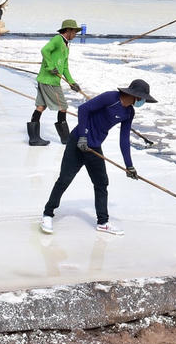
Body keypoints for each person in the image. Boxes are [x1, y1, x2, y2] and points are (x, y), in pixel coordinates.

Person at [40, 79, 157, 236]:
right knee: (64, 179)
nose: (143, 102)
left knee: (101, 183)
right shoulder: (110, 98)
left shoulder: (129, 112)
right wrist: (82, 136)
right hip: (77, 142)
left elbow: (124, 140)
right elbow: (83, 110)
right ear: (134, 95)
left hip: (94, 147)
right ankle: (47, 214)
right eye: (142, 98)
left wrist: (129, 166)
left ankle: (103, 222)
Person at [28, 18, 84, 146]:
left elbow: (64, 67)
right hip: (50, 81)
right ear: (68, 30)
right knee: (63, 107)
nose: (75, 35)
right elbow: (44, 50)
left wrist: (71, 82)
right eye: (74, 32)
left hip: (46, 80)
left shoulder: (66, 45)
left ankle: (34, 138)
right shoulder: (58, 39)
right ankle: (66, 139)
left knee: (40, 107)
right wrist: (49, 66)